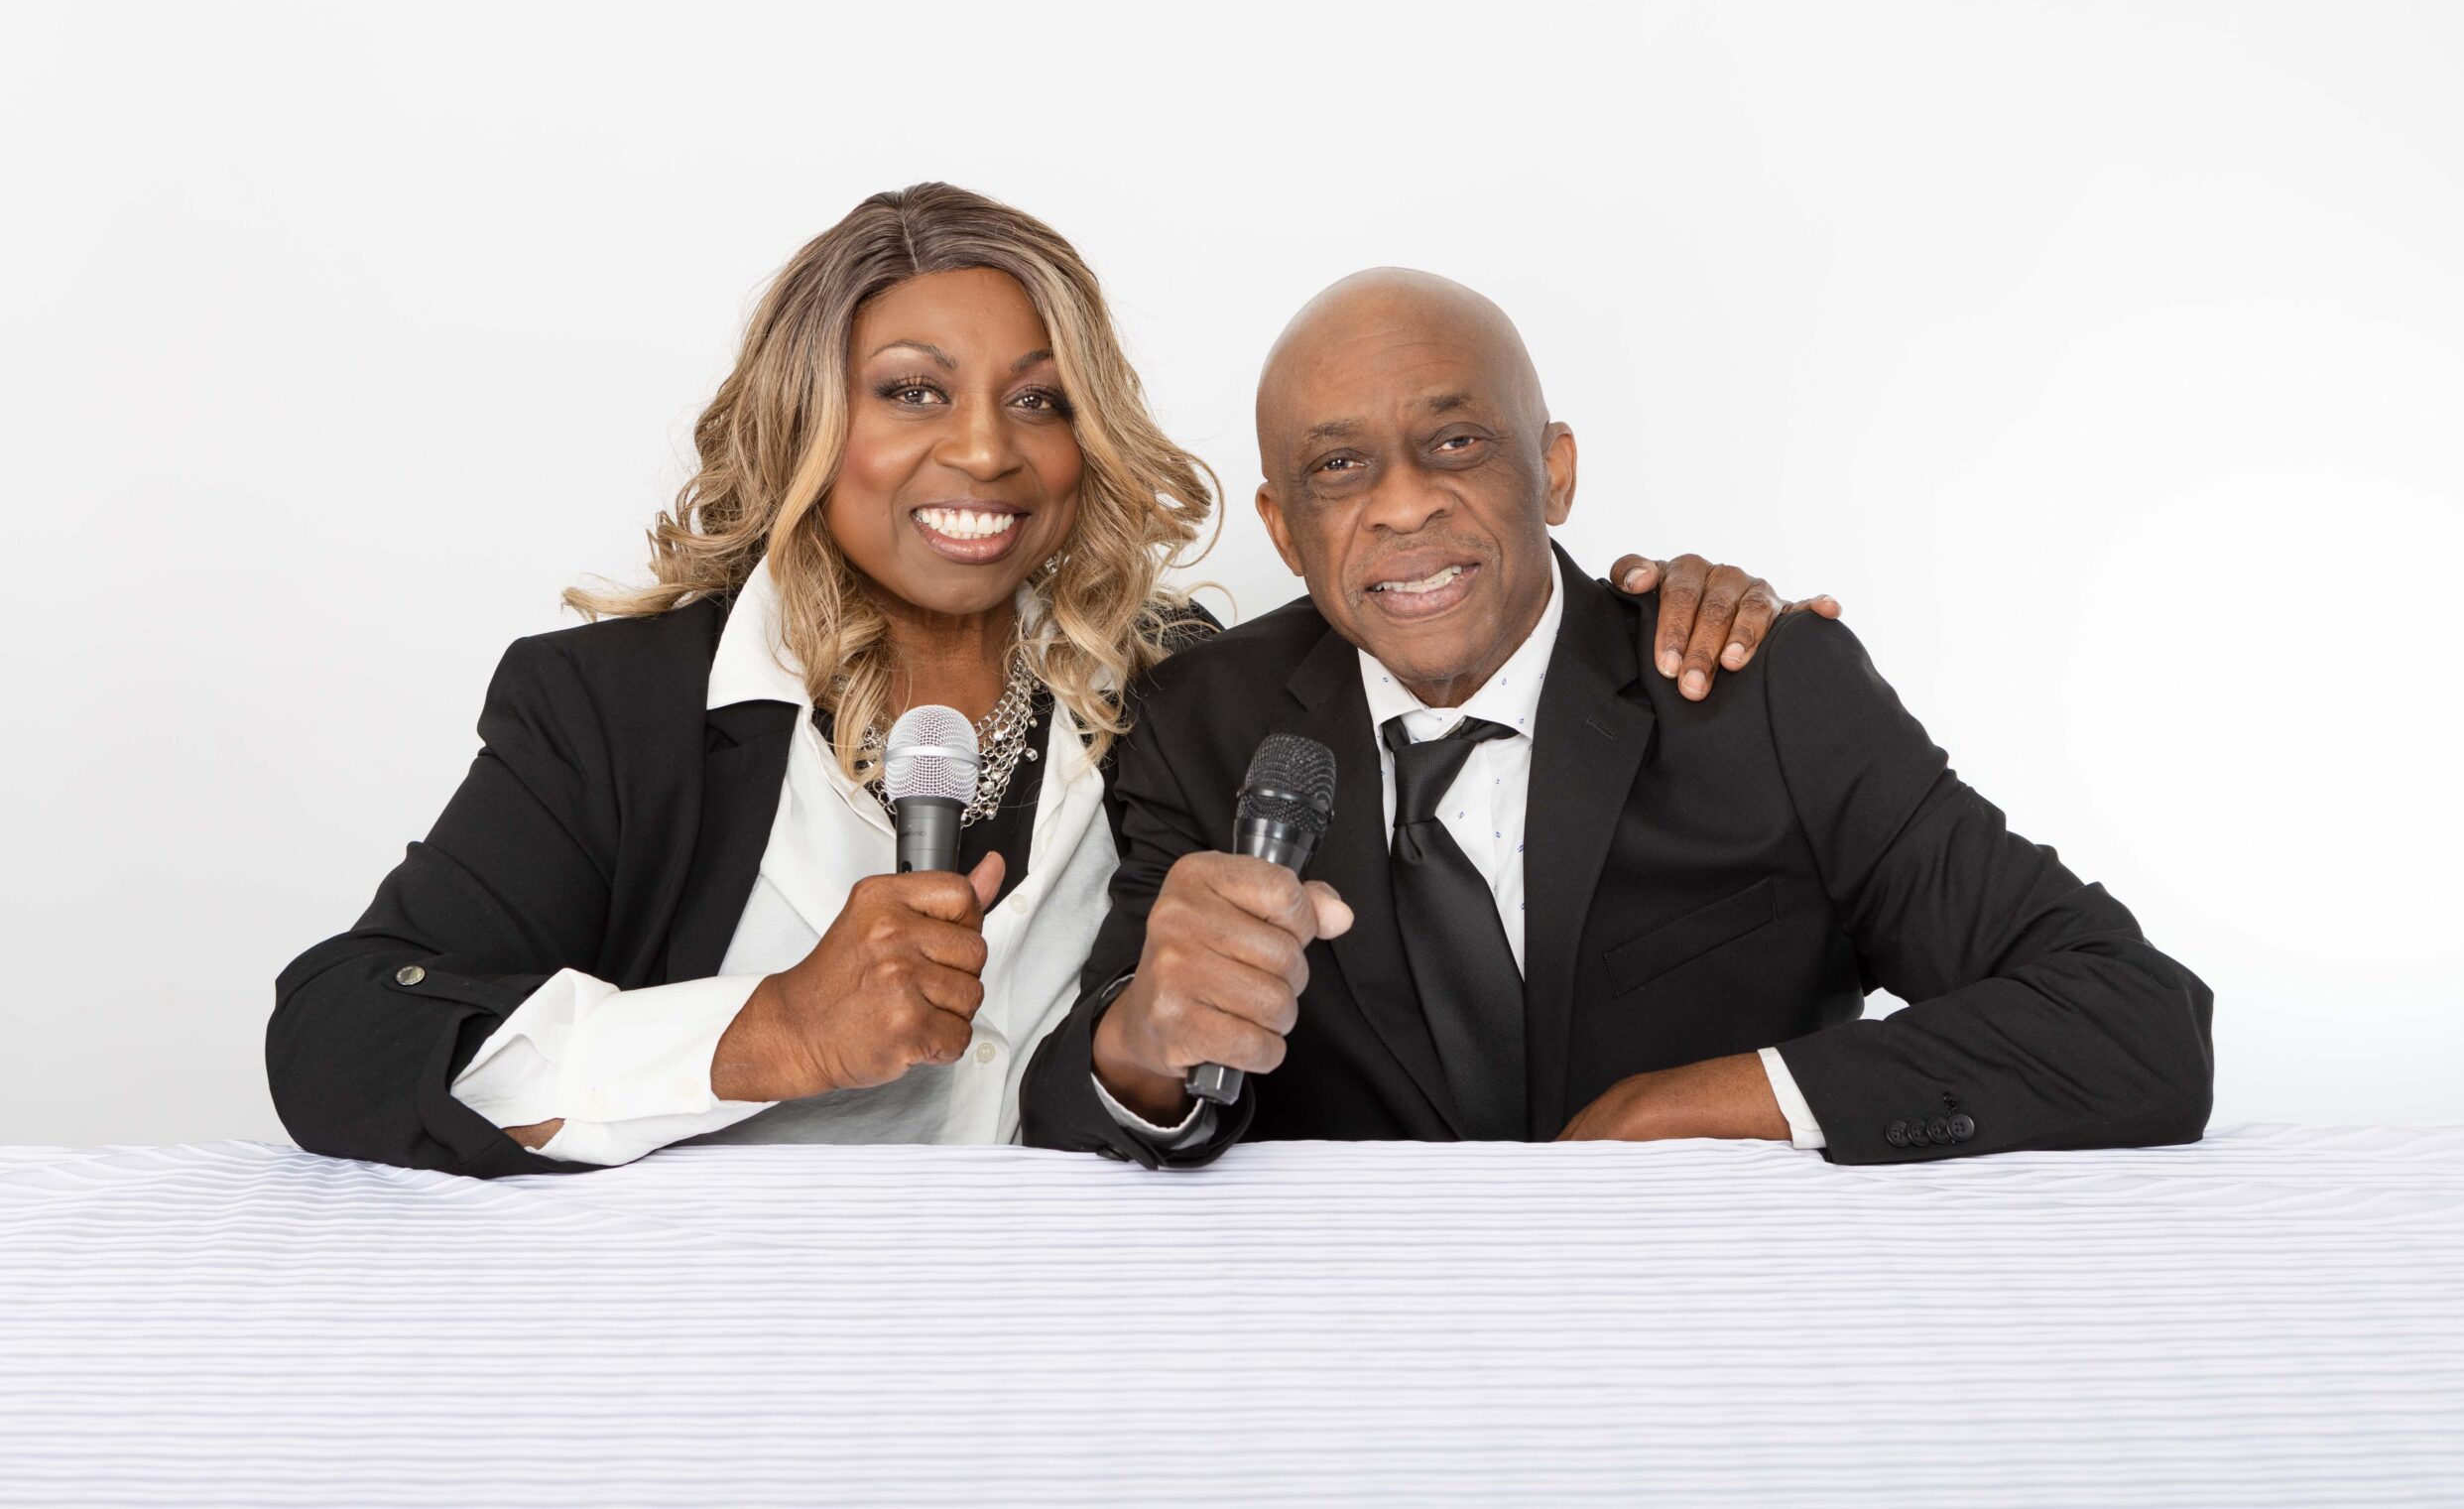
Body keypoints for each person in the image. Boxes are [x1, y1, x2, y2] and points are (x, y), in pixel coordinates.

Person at [264, 189, 1831, 1177]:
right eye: (911, 393)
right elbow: (338, 1035)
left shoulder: (1193, 698)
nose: (985, 452)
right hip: (695, 1346)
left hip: (1087, 1345)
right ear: (812, 426)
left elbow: (1458, 621)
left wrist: (1683, 609)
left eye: (1039, 399)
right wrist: (766, 1035)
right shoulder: (615, 712)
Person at [1020, 268, 2215, 1166]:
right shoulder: (1202, 721)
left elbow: (2136, 1020)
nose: (1403, 504)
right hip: (1356, 1345)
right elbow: (1071, 1108)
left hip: (1721, 1329)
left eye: (1456, 441)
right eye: (1339, 469)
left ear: (1557, 471)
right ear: (1283, 532)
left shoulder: (1758, 688)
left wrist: (1705, 1103)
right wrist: (1143, 1046)